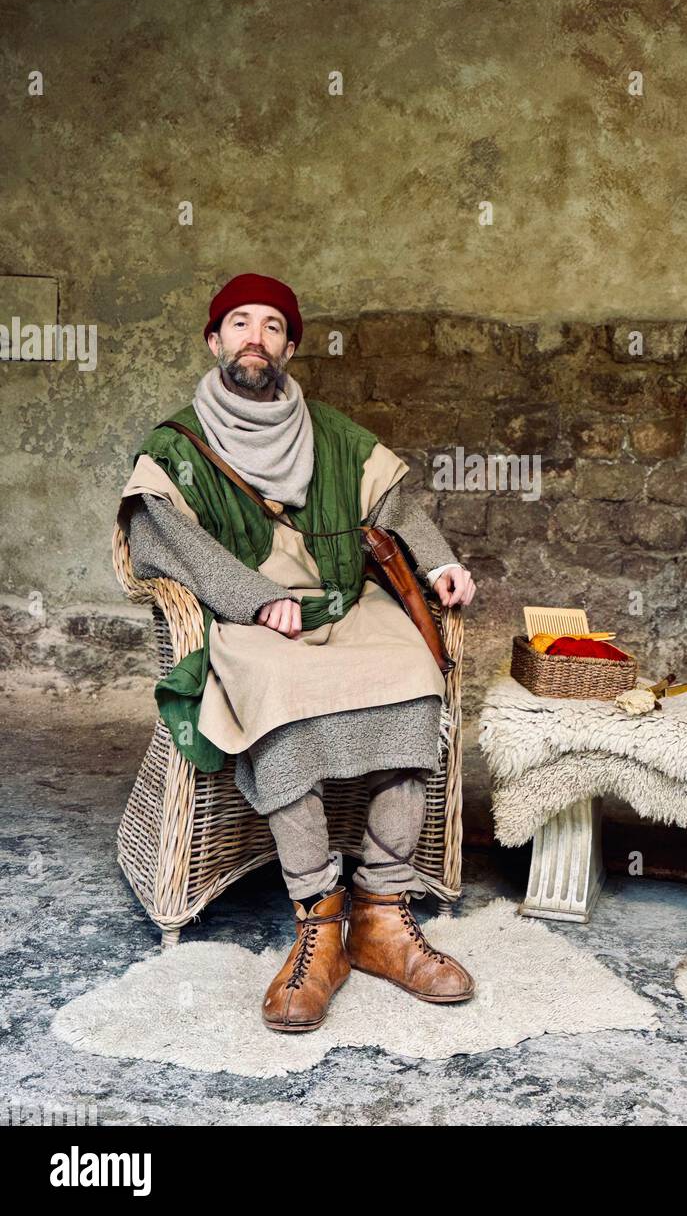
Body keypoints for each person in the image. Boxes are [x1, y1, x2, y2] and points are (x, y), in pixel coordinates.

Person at [117, 273, 478, 1033]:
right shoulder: (176, 445)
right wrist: (250, 597)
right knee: (278, 693)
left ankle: (380, 914)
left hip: (342, 603)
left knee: (413, 674)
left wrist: (440, 562)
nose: (256, 336)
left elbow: (397, 507)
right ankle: (319, 922)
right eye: (239, 323)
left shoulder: (333, 432)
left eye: (273, 326)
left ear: (288, 347)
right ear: (215, 342)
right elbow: (157, 538)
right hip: (247, 619)